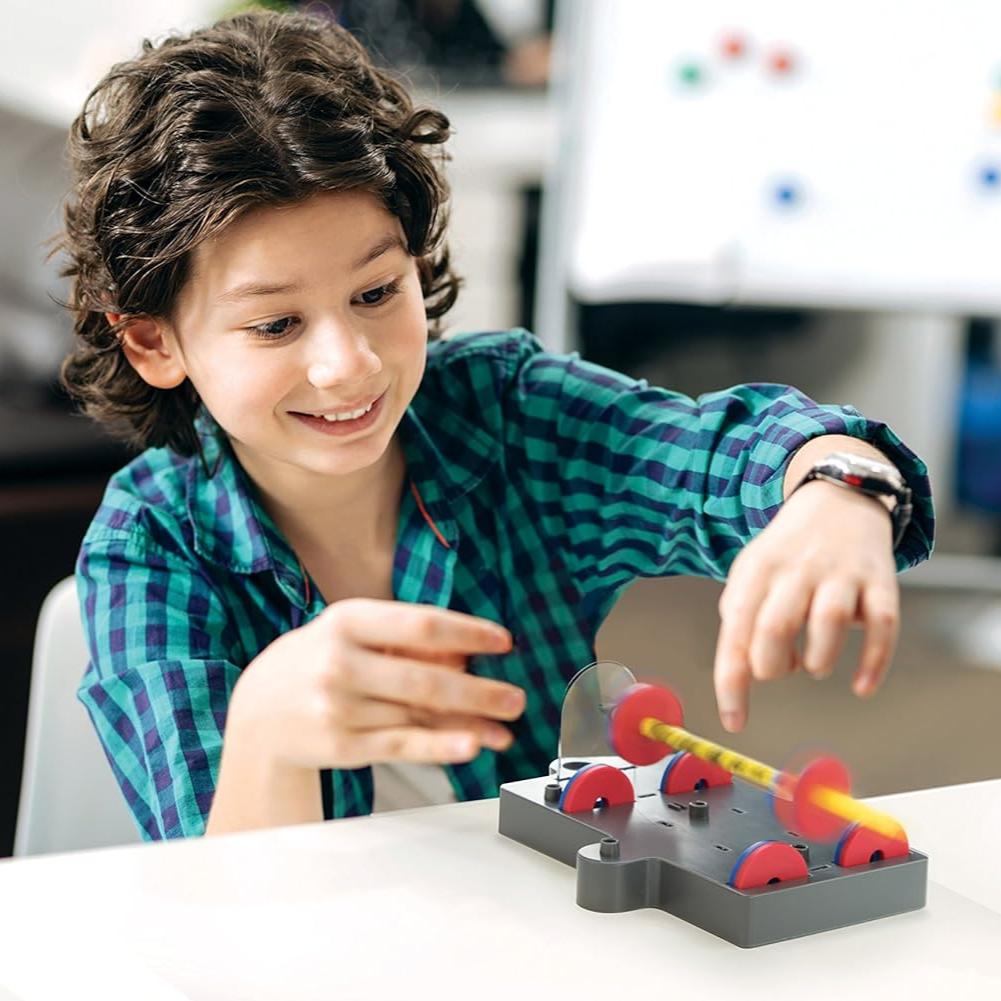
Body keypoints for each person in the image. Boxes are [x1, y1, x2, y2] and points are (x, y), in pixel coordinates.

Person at [57, 10, 933, 841]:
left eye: (375, 293)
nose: (349, 364)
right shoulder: (151, 548)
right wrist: (266, 727)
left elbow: (725, 451)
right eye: (275, 324)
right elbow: (224, 929)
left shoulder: (504, 417)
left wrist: (836, 489)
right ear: (153, 340)